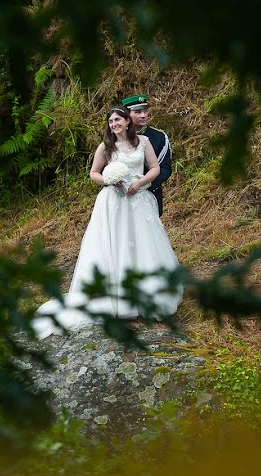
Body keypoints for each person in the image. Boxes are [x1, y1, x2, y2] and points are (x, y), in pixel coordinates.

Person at [31, 107, 182, 339]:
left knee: (142, 244)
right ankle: (117, 302)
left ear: (127, 121)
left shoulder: (142, 142)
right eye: (110, 121)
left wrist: (140, 183)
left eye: (118, 120)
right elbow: (93, 173)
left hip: (138, 199)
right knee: (115, 244)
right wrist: (108, 181)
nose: (114, 124)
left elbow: (155, 168)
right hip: (113, 202)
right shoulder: (105, 146)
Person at [121, 94, 172, 216]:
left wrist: (143, 186)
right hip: (122, 195)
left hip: (150, 194)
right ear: (127, 115)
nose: (143, 115)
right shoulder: (116, 137)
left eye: (145, 111)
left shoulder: (159, 137)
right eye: (138, 112)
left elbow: (165, 169)